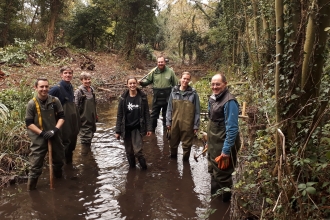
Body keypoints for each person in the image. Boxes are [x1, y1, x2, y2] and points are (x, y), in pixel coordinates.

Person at [25, 77, 65, 190]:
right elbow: (29, 123)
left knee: (59, 160)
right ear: (36, 88)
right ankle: (31, 189)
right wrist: (42, 133)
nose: (44, 89)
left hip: (55, 135)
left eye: (46, 86)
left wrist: (55, 130)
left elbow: (62, 117)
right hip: (39, 138)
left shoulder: (55, 101)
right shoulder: (32, 104)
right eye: (41, 86)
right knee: (35, 164)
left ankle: (60, 185)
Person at [207, 73, 241, 202]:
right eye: (213, 84)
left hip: (223, 145)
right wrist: (208, 143)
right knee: (213, 172)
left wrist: (226, 151)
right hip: (213, 144)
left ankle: (225, 205)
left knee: (223, 176)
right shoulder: (213, 98)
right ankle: (215, 202)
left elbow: (232, 129)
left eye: (218, 84)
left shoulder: (230, 101)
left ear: (225, 84)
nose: (215, 87)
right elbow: (212, 122)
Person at [115, 76, 153, 170]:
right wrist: (117, 130)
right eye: (130, 83)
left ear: (137, 84)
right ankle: (132, 170)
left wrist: (149, 128)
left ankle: (144, 170)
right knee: (129, 152)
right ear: (127, 85)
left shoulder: (142, 97)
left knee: (138, 152)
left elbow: (146, 114)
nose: (132, 85)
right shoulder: (123, 98)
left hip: (137, 128)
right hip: (126, 128)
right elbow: (120, 115)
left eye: (134, 83)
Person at [166, 72, 200, 161]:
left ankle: (185, 163)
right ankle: (173, 162)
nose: (185, 81)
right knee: (173, 143)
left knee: (187, 145)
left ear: (189, 80)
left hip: (188, 124)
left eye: (187, 79)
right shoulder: (173, 92)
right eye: (184, 78)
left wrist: (196, 125)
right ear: (180, 79)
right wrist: (168, 122)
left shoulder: (193, 94)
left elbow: (197, 111)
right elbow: (169, 108)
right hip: (174, 122)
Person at [49, 66, 80, 164]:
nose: (68, 75)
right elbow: (47, 103)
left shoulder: (70, 87)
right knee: (64, 144)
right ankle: (59, 168)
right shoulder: (56, 89)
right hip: (62, 122)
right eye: (65, 73)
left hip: (72, 122)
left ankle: (69, 166)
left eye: (70, 73)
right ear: (61, 75)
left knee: (72, 143)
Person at [138, 56, 178, 132]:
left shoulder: (170, 72)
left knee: (166, 116)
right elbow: (148, 81)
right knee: (153, 116)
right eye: (159, 62)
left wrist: (176, 96)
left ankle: (167, 133)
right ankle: (152, 132)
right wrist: (141, 83)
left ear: (164, 62)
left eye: (162, 62)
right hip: (156, 98)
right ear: (157, 63)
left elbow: (176, 84)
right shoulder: (153, 71)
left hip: (168, 98)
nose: (160, 63)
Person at [74, 72, 97, 155]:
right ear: (81, 80)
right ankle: (84, 161)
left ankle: (89, 156)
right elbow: (75, 107)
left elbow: (94, 104)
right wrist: (77, 121)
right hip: (83, 120)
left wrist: (96, 115)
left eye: (89, 79)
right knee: (85, 139)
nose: (87, 81)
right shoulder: (79, 91)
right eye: (85, 79)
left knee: (91, 136)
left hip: (92, 119)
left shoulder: (92, 90)